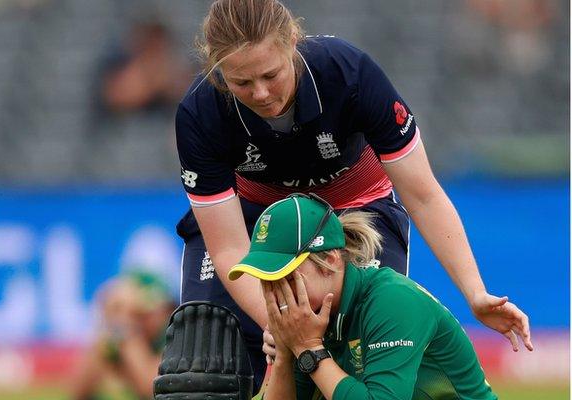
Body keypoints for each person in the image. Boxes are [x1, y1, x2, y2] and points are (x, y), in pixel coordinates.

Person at [175, 0, 529, 388]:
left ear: (292, 42)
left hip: (353, 211)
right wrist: (279, 324)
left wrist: (475, 293)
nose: (260, 93)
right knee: (202, 369)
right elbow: (228, 249)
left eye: (271, 75)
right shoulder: (200, 111)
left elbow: (423, 195)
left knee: (361, 363)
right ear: (216, 69)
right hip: (258, 224)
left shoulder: (350, 75)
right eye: (241, 82)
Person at [228, 194, 532, 400]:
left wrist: (309, 350)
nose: (276, 293)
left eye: (286, 275)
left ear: (331, 259)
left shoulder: (392, 300)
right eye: (267, 279)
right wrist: (284, 352)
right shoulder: (309, 320)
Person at [72, 270, 177, 400]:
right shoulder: (122, 337)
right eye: (141, 314)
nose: (156, 319)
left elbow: (153, 390)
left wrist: (128, 336)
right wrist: (111, 328)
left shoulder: (174, 335)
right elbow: (78, 392)